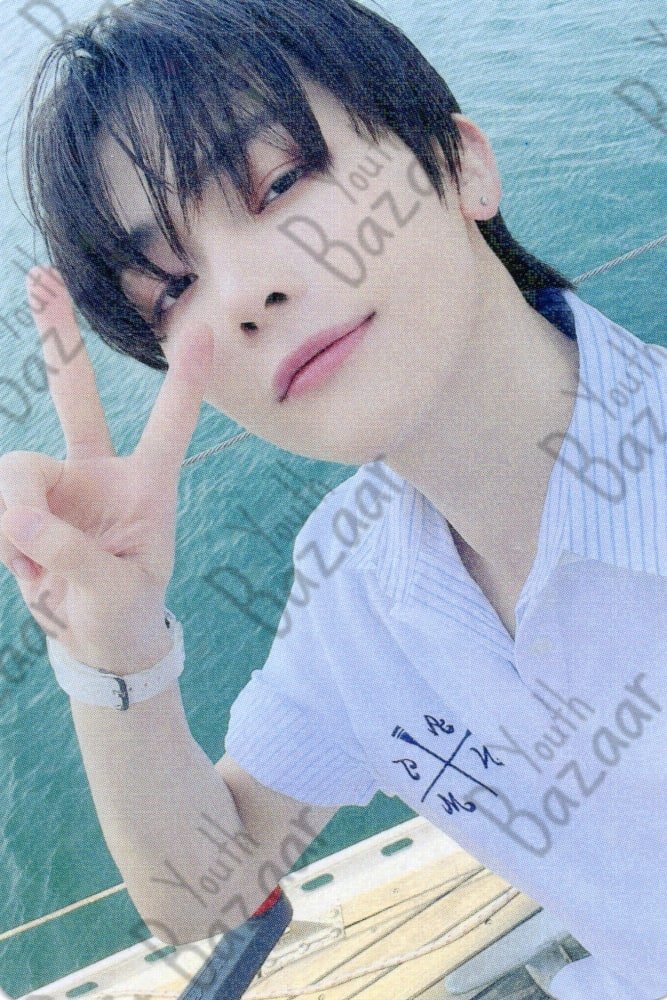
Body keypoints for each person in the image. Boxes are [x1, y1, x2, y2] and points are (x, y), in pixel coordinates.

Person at [2, 0, 665, 997]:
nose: (241, 293)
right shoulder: (351, 575)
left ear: (461, 166)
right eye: (172, 288)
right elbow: (204, 890)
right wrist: (115, 651)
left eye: (280, 182)